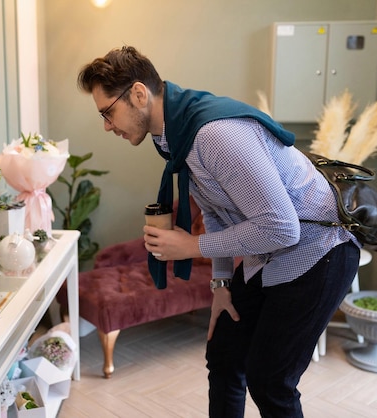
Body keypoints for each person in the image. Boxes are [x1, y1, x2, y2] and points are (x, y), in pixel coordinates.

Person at [77, 45, 361, 418]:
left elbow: (282, 228)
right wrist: (221, 284)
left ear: (138, 94)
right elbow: (216, 211)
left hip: (319, 252)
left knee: (270, 381)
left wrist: (192, 246)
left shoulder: (214, 135)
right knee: (224, 355)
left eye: (107, 112)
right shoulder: (175, 138)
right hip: (270, 254)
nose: (106, 126)